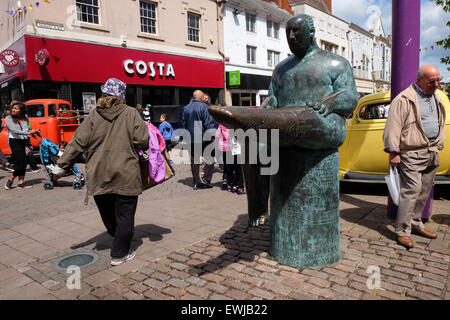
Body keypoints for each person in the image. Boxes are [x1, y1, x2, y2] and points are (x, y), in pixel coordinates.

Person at [54, 78, 149, 266]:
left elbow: (77, 143)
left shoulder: (93, 115)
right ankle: (119, 253)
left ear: (104, 94)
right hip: (126, 172)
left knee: (109, 215)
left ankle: (119, 239)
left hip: (99, 173)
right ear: (121, 96)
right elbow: (142, 140)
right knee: (125, 216)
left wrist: (61, 166)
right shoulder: (131, 113)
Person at [383, 64, 445, 249]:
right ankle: (402, 231)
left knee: (424, 192)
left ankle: (416, 224)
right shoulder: (404, 99)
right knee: (411, 192)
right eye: (432, 81)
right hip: (411, 153)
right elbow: (392, 126)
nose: (437, 84)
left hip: (431, 151)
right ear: (419, 80)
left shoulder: (437, 96)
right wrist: (393, 151)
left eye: (438, 79)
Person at [181, 90, 218, 190]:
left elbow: (183, 123)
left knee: (194, 160)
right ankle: (206, 179)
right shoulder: (204, 107)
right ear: (201, 97)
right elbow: (208, 123)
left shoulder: (185, 108)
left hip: (191, 138)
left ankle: (196, 182)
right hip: (203, 137)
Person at [4, 101, 39, 189]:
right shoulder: (9, 118)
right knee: (21, 163)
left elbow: (26, 127)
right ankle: (11, 179)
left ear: (21, 110)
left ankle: (21, 183)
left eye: (16, 108)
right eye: (13, 108)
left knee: (24, 162)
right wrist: (28, 132)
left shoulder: (25, 117)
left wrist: (33, 131)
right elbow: (14, 130)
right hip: (14, 141)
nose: (13, 110)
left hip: (24, 140)